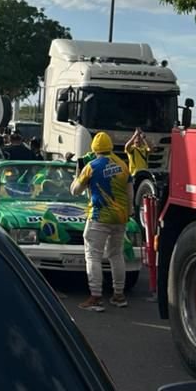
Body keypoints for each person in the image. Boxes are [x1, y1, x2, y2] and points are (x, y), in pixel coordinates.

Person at [70, 131, 132, 311]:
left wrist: (77, 176)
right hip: (120, 218)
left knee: (93, 255)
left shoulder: (91, 166)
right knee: (116, 254)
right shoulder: (122, 165)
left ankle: (96, 297)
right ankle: (119, 295)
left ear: (94, 149)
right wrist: (128, 212)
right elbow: (130, 192)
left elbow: (76, 191)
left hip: (99, 217)